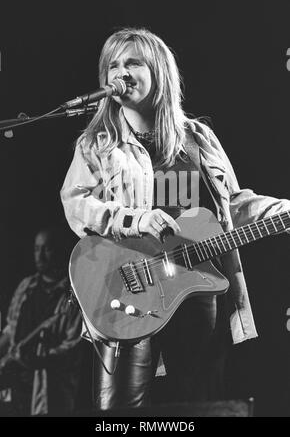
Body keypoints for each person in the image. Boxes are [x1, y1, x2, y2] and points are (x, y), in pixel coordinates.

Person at [60, 27, 290, 411]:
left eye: (132, 62)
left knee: (196, 404)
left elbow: (231, 205)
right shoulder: (98, 143)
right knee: (120, 412)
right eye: (113, 65)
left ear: (158, 70)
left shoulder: (198, 138)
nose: (121, 72)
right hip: (129, 286)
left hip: (198, 289)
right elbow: (76, 203)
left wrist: (280, 210)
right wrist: (135, 220)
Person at [0, 225, 83, 416]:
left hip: (50, 391)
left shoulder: (71, 294)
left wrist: (36, 360)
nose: (40, 255)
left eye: (46, 248)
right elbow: (10, 331)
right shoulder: (26, 287)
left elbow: (72, 346)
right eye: (37, 249)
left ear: (59, 250)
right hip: (17, 389)